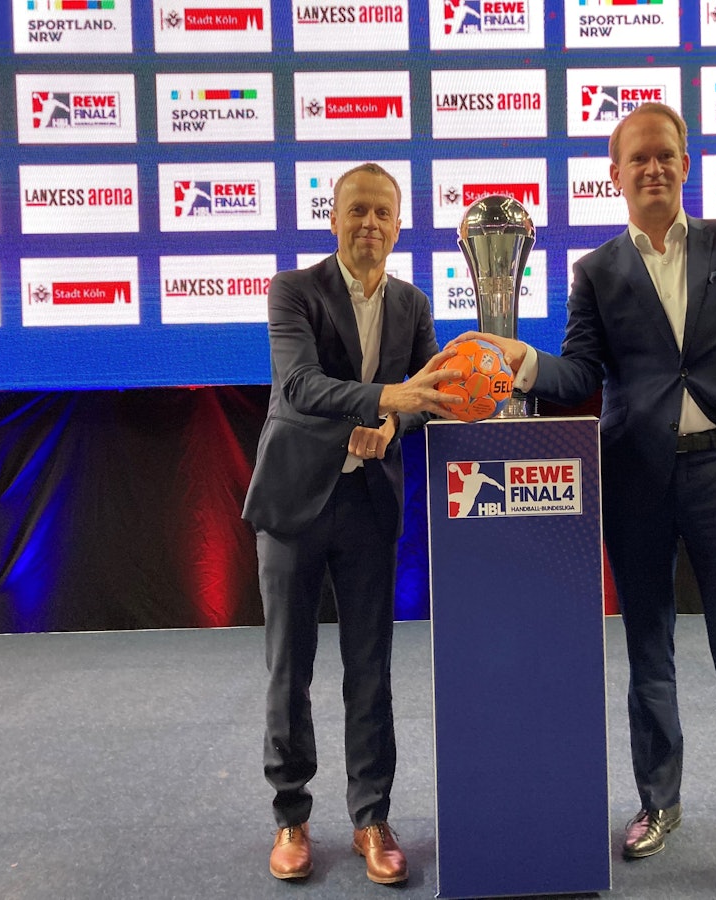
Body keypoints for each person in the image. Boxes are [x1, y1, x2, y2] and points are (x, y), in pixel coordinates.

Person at [453, 103, 716, 899]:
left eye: (665, 156)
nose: (652, 169)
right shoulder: (596, 272)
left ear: (686, 163)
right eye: (636, 159)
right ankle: (660, 803)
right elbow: (581, 376)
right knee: (649, 657)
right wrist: (520, 363)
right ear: (613, 175)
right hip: (639, 485)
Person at [242, 163, 461, 885]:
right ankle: (292, 818)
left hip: (368, 508)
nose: (370, 223)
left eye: (383, 214)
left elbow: (426, 399)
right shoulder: (293, 291)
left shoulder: (412, 302)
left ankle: (372, 820)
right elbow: (299, 385)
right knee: (290, 669)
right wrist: (385, 398)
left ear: (399, 226)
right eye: (356, 210)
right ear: (332, 218)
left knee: (371, 674)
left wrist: (393, 420)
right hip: (291, 505)